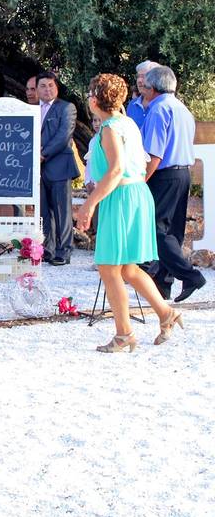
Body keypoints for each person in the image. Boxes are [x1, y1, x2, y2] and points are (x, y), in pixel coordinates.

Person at [77, 74, 184, 351]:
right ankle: (165, 312)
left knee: (109, 267)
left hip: (122, 196)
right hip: (136, 194)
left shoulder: (111, 129)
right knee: (127, 268)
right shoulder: (128, 123)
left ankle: (124, 334)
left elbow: (114, 171)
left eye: (90, 92)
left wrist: (89, 204)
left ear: (95, 98)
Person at [140, 65, 206, 302]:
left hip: (164, 174)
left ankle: (190, 276)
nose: (143, 90)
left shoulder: (158, 110)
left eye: (145, 86)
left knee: (156, 231)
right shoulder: (182, 108)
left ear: (154, 87)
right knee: (173, 231)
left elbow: (154, 153)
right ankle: (163, 285)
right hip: (183, 173)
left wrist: (141, 180)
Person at [37, 71, 79, 265]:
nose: (47, 89)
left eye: (51, 85)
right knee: (44, 211)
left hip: (59, 165)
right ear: (37, 89)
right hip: (39, 169)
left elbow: (64, 136)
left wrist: (43, 154)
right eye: (43, 86)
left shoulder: (66, 108)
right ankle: (48, 248)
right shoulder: (32, 110)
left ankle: (64, 250)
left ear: (57, 87)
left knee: (62, 210)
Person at [126, 60, 160, 129]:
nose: (139, 80)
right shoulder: (132, 105)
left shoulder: (162, 105)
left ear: (155, 79)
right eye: (138, 76)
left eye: (144, 76)